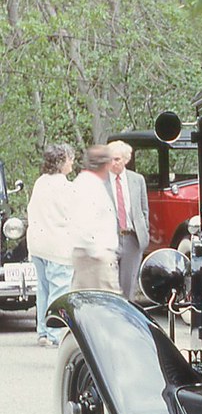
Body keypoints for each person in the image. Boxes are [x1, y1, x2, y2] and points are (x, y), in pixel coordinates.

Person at [26, 143, 76, 346]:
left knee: (43, 290)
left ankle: (43, 332)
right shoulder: (65, 187)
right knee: (59, 291)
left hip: (38, 245)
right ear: (61, 162)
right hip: (58, 246)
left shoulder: (41, 183)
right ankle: (55, 335)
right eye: (70, 159)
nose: (72, 162)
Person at [70, 145, 120, 292]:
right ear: (106, 164)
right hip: (94, 258)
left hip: (88, 254)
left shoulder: (87, 182)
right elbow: (84, 222)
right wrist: (99, 252)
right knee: (108, 304)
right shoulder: (88, 186)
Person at [107, 140, 150, 299]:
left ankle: (126, 320)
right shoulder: (101, 181)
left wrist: (144, 231)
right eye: (109, 159)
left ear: (126, 159)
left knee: (128, 288)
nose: (113, 163)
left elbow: (144, 209)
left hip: (133, 238)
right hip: (110, 238)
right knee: (109, 286)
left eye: (117, 159)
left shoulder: (137, 180)